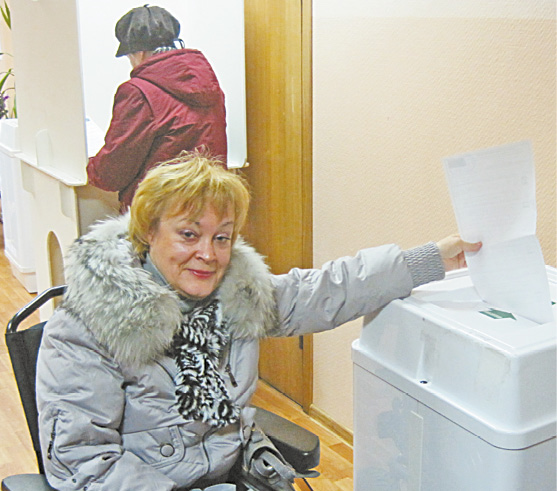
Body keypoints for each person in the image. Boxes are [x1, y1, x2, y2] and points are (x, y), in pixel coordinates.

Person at [36, 152, 481, 490]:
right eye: (189, 234)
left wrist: (430, 260)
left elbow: (327, 289)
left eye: (222, 237)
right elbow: (83, 463)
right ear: (148, 232)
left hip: (228, 472)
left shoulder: (235, 296)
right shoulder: (85, 329)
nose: (208, 254)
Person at [87, 5, 227, 212]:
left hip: (160, 214)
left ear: (139, 52)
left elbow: (112, 173)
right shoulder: (209, 85)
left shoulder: (138, 92)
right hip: (209, 208)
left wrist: (90, 166)